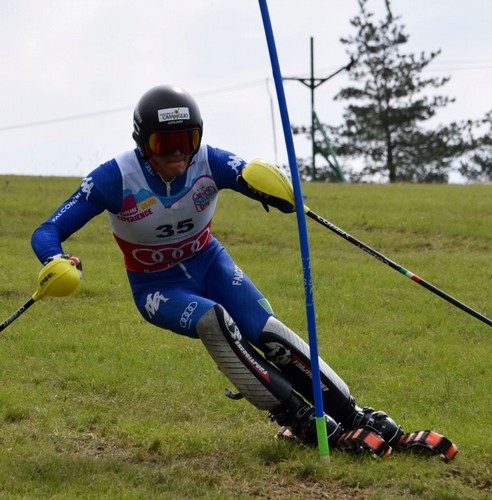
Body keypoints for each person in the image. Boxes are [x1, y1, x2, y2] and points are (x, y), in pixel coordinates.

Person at [30, 85, 452, 459]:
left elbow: (260, 181)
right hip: (157, 287)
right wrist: (56, 258)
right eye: (166, 143)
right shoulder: (114, 178)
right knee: (214, 321)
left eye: (188, 140)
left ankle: (356, 414)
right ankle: (302, 419)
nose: (179, 152)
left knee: (265, 330)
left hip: (211, 264)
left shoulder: (208, 162)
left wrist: (279, 192)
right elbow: (48, 230)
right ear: (143, 143)